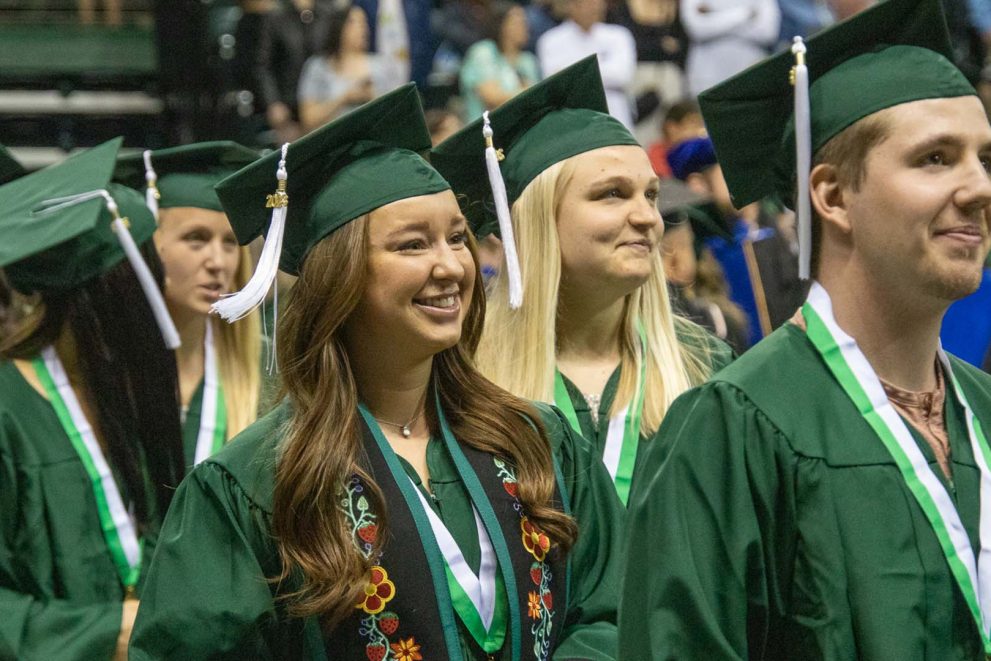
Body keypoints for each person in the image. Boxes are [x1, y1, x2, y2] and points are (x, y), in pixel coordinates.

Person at [129, 84, 625, 660]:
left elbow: (608, 613)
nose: (449, 265)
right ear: (342, 281)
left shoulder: (538, 442)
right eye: (412, 245)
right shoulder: (255, 487)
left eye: (458, 238)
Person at [620, 0, 991, 657]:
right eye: (934, 158)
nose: (977, 185)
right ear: (831, 195)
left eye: (983, 158)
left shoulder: (983, 411)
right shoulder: (732, 430)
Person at [432, 57, 733, 507]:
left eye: (649, 195)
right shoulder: (465, 378)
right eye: (611, 193)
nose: (647, 218)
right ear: (536, 220)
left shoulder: (704, 368)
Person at [0, 138, 184, 660]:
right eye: (148, 274)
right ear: (114, 293)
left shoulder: (121, 394)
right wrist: (106, 632)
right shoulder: (7, 410)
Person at [115, 141, 263, 467]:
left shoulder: (265, 369)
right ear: (149, 247)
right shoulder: (106, 364)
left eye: (229, 243)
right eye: (196, 239)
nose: (218, 262)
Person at [536, 0, 637, 129]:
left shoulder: (619, 35)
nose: (595, 7)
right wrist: (599, 67)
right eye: (588, 3)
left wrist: (575, 70)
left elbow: (623, 75)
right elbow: (555, 80)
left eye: (598, 2)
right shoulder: (550, 40)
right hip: (572, 116)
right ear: (572, 5)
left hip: (616, 113)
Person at [297, 3, 390, 133]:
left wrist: (371, 97)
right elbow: (308, 119)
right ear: (339, 26)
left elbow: (393, 112)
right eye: (354, 22)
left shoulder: (380, 65)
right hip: (329, 144)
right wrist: (344, 99)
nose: (362, 28)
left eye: (364, 22)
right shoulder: (317, 67)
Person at [255, 0, 334, 143]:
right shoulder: (276, 16)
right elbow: (263, 66)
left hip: (324, 104)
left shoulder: (328, 12)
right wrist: (273, 103)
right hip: (289, 107)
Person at [459, 1, 540, 122]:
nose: (525, 27)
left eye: (525, 21)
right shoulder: (483, 52)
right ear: (502, 25)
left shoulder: (528, 60)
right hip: (486, 131)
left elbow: (536, 101)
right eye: (518, 22)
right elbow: (491, 97)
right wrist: (526, 92)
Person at [680, 0, 780, 97]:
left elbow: (768, 33)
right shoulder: (747, 12)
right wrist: (746, 14)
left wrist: (715, 15)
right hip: (706, 80)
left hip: (749, 79)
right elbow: (697, 29)